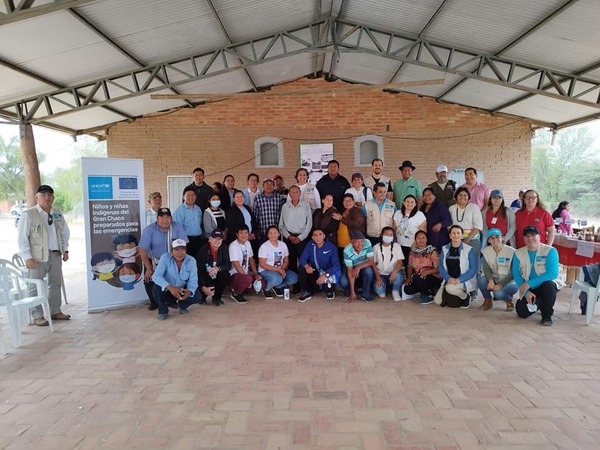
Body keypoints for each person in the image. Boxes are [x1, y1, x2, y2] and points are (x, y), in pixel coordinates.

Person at [17, 184, 71, 326]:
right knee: (34, 285)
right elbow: (22, 238)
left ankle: (55, 311)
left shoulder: (57, 213)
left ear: (53, 197)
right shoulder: (29, 214)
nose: (47, 197)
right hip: (37, 257)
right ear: (37, 197)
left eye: (50, 195)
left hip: (55, 254)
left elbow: (65, 232)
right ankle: (37, 315)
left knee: (55, 284)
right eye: (44, 195)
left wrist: (65, 250)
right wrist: (27, 257)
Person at [139, 207, 188, 310]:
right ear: (157, 219)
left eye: (168, 217)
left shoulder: (177, 227)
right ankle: (154, 302)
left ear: (171, 218)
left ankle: (171, 300)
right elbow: (142, 249)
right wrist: (148, 268)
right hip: (154, 260)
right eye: (162, 218)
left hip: (172, 259)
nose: (165, 220)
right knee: (149, 279)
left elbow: (183, 245)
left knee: (176, 279)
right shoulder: (149, 230)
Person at [512, 226, 562, 326]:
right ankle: (539, 303)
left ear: (539, 236)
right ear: (523, 238)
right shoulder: (518, 253)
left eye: (533, 235)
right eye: (527, 236)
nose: (530, 238)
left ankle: (546, 316)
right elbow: (516, 275)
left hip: (546, 285)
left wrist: (529, 283)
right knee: (521, 311)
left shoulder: (550, 251)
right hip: (530, 288)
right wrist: (526, 293)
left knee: (549, 286)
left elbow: (553, 274)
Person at [151, 238, 203, 320]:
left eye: (183, 250)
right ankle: (163, 310)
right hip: (168, 289)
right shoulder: (165, 257)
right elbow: (156, 276)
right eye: (176, 250)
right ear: (171, 251)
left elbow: (193, 280)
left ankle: (182, 305)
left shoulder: (191, 260)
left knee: (198, 296)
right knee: (155, 288)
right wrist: (170, 287)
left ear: (186, 251)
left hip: (181, 289)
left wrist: (189, 291)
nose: (180, 253)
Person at [437, 225, 478, 309]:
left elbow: (473, 269)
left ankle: (465, 296)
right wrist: (448, 278)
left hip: (464, 280)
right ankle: (456, 293)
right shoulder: (444, 249)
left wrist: (459, 279)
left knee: (450, 289)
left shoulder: (469, 249)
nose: (456, 235)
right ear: (450, 235)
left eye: (458, 233)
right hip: (449, 280)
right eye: (453, 233)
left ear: (462, 235)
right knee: (438, 301)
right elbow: (440, 267)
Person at [449, 187, 483, 284]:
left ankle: (473, 290)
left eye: (465, 195)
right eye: (460, 195)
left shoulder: (474, 207)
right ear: (455, 197)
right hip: (456, 241)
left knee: (473, 265)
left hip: (472, 240)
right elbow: (449, 226)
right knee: (459, 264)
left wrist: (468, 239)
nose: (462, 197)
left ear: (469, 197)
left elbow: (478, 226)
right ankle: (461, 286)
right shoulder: (452, 208)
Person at [478, 228, 518, 311]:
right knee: (481, 280)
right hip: (495, 278)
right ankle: (488, 300)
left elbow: (514, 272)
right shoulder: (486, 251)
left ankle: (508, 299)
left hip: (510, 282)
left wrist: (501, 284)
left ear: (502, 238)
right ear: (488, 240)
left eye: (497, 237)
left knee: (498, 294)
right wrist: (491, 280)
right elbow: (486, 268)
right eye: (492, 238)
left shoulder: (512, 251)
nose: (495, 240)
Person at [297, 228, 342, 302]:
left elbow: (336, 266)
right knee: (302, 268)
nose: (318, 237)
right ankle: (307, 291)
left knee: (328, 288)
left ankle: (328, 290)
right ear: (312, 237)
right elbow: (302, 259)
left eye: (320, 234)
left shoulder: (331, 247)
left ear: (324, 236)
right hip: (315, 271)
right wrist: (307, 266)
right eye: (315, 235)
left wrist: (325, 275)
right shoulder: (310, 245)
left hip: (327, 272)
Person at [258, 226, 298, 299]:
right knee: (278, 279)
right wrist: (278, 270)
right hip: (266, 270)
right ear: (267, 235)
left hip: (280, 269)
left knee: (294, 278)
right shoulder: (264, 247)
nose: (273, 235)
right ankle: (266, 289)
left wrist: (282, 270)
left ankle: (277, 286)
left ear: (279, 234)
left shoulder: (283, 244)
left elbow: (286, 260)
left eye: (275, 233)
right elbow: (262, 264)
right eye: (270, 233)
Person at [279, 185, 312, 272]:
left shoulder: (306, 206)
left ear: (300, 193)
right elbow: (281, 225)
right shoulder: (285, 207)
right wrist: (289, 236)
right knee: (291, 262)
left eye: (296, 192)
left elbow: (309, 224)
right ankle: (294, 284)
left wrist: (300, 238)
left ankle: (303, 284)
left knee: (303, 262)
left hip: (302, 238)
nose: (294, 194)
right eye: (292, 192)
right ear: (289, 194)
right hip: (289, 239)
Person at [403, 230, 441, 304]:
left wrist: (427, 272)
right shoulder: (412, 252)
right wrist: (408, 278)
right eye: (418, 238)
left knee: (417, 278)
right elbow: (410, 266)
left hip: (433, 276)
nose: (421, 240)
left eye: (423, 238)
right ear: (415, 240)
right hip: (419, 277)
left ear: (427, 239)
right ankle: (427, 290)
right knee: (407, 289)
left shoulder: (432, 251)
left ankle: (428, 295)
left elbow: (438, 269)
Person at [196, 229, 231, 306]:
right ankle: (202, 296)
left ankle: (217, 298)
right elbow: (199, 271)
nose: (217, 241)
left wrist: (218, 268)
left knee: (225, 275)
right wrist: (203, 287)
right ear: (210, 239)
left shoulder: (224, 248)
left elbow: (228, 264)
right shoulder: (202, 251)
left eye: (219, 239)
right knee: (203, 282)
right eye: (215, 238)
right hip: (205, 275)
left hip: (217, 273)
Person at [340, 230, 376, 303]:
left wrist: (358, 267)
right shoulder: (347, 250)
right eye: (357, 242)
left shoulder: (367, 242)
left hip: (363, 265)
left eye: (362, 241)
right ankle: (352, 289)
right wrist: (352, 292)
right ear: (352, 242)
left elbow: (371, 262)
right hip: (350, 267)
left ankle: (365, 294)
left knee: (368, 272)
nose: (361, 244)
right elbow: (350, 272)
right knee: (344, 281)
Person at [228, 225, 261, 303]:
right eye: (241, 233)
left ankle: (244, 287)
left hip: (245, 274)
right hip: (234, 275)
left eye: (246, 233)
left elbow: (251, 260)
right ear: (237, 234)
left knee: (261, 282)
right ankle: (236, 293)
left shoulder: (248, 243)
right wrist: (247, 278)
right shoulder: (233, 246)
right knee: (248, 279)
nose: (244, 235)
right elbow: (236, 265)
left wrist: (256, 273)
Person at [372, 227, 404, 301]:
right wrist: (378, 278)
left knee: (398, 276)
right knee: (380, 291)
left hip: (392, 274)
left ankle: (395, 291)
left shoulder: (397, 246)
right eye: (386, 234)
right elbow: (373, 264)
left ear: (393, 237)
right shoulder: (376, 247)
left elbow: (399, 262)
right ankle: (383, 287)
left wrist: (394, 272)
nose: (388, 236)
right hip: (381, 275)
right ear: (381, 235)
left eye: (390, 235)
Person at [393, 194, 427, 263]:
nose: (410, 204)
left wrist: (415, 243)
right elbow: (394, 228)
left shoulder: (419, 214)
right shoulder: (397, 213)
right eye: (407, 202)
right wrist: (394, 241)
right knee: (404, 264)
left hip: (414, 245)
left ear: (415, 204)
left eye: (412, 202)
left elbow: (423, 231)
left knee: (413, 264)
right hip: (400, 245)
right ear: (403, 202)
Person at [172, 186, 203, 258]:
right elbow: (177, 229)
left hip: (198, 240)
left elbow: (200, 224)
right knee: (187, 261)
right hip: (186, 240)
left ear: (196, 197)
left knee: (198, 260)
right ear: (183, 197)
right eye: (188, 195)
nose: (191, 197)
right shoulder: (179, 211)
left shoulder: (198, 209)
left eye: (193, 195)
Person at [334, 193, 366, 262]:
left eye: (349, 200)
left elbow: (357, 224)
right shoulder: (342, 211)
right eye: (345, 201)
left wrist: (341, 218)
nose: (347, 202)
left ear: (354, 201)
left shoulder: (357, 211)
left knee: (352, 267)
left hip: (352, 245)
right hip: (340, 245)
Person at [225, 190, 258, 255]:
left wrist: (254, 233)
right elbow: (232, 227)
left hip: (250, 238)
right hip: (238, 240)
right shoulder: (231, 210)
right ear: (234, 199)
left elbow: (253, 222)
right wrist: (244, 236)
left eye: (242, 197)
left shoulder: (247, 208)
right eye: (237, 197)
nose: (240, 199)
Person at [253, 177, 285, 243]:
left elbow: (282, 214)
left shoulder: (279, 197)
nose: (268, 186)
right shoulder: (258, 198)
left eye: (271, 184)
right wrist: (257, 230)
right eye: (266, 184)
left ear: (273, 186)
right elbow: (255, 215)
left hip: (276, 232)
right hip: (263, 232)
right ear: (263, 186)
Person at [420, 187, 451, 251]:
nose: (427, 197)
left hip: (439, 239)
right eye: (425, 195)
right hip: (427, 239)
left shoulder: (440, 206)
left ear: (434, 196)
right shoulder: (422, 207)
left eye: (429, 195)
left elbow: (448, 220)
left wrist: (440, 224)